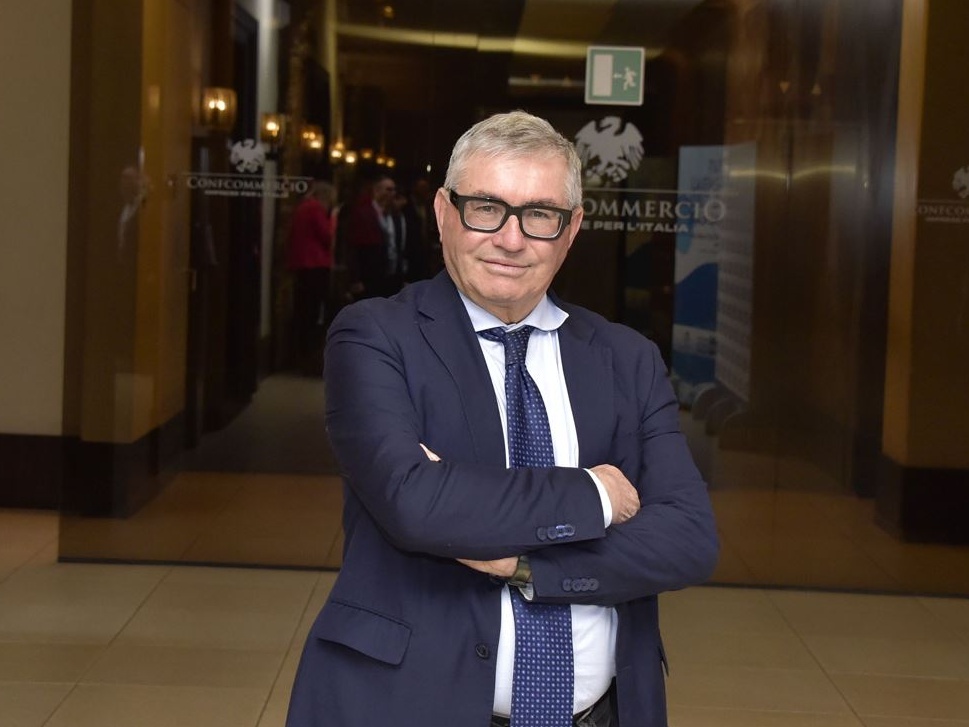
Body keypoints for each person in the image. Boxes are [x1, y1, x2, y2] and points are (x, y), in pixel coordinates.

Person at [286, 111, 718, 727]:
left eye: (539, 214)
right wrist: (596, 495)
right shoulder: (375, 337)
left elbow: (688, 540)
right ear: (443, 213)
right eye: (486, 208)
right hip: (405, 707)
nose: (511, 240)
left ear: (572, 229)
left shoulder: (627, 358)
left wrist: (524, 562)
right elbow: (414, 504)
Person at [287, 180, 335, 374]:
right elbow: (327, 235)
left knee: (303, 310)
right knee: (313, 312)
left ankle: (300, 356)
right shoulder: (315, 209)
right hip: (315, 263)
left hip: (301, 263)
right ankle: (309, 358)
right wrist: (333, 219)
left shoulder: (302, 207)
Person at [346, 173, 397, 298]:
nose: (392, 193)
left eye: (393, 190)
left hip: (390, 275)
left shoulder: (395, 215)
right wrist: (355, 278)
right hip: (369, 275)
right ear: (377, 190)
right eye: (388, 189)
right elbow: (354, 247)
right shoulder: (363, 213)